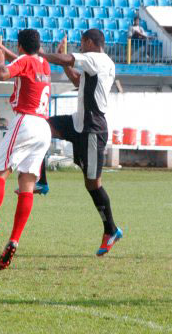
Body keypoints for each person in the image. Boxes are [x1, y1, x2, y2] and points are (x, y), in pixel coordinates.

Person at [0, 30, 51, 270]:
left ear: (20, 44)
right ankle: (14, 240)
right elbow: (24, 61)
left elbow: (4, 74)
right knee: (26, 184)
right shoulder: (43, 64)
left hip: (25, 121)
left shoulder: (23, 61)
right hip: (43, 128)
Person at [39, 29, 122, 256]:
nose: (80, 47)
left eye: (82, 43)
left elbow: (69, 58)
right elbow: (77, 78)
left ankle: (111, 230)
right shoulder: (99, 64)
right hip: (79, 124)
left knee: (93, 184)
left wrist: (42, 53)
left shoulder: (98, 58)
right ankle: (41, 181)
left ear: (89, 42)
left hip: (92, 129)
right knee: (41, 128)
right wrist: (65, 63)